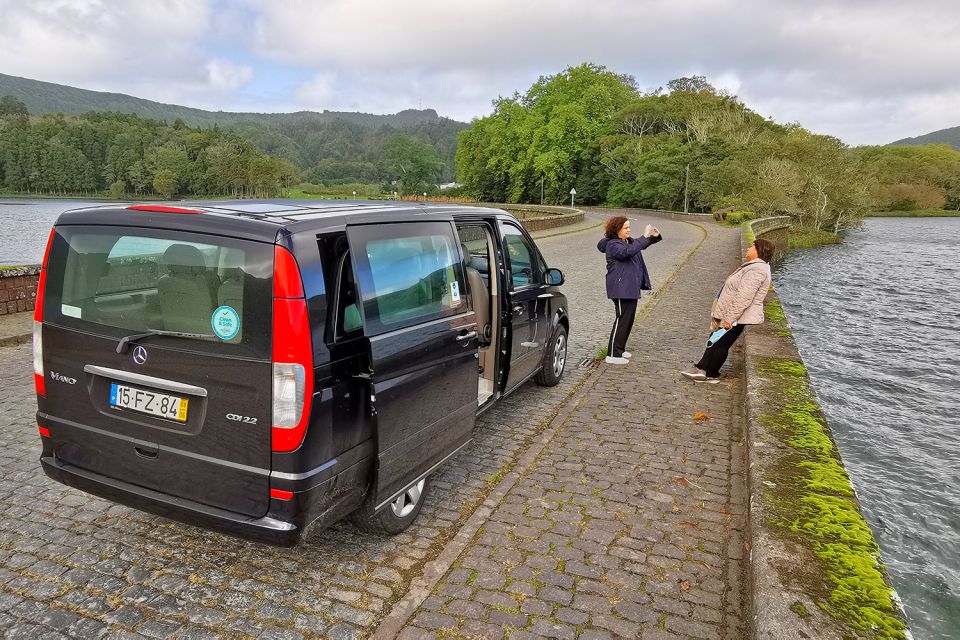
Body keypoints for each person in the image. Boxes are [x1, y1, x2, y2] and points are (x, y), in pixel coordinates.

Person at [681, 238, 774, 383]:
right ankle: (705, 370)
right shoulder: (755, 267)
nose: (748, 248)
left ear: (759, 251)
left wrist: (729, 319)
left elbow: (744, 297)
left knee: (720, 343)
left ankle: (708, 372)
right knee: (716, 340)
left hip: (737, 316)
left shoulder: (757, 270)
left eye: (751, 246)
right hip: (733, 314)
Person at [597, 216, 661, 365]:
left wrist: (653, 238)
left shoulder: (627, 242)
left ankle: (620, 349)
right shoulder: (613, 245)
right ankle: (613, 354)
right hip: (620, 288)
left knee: (628, 320)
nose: (629, 230)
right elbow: (628, 252)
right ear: (616, 230)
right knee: (622, 319)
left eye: (629, 227)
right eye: (626, 228)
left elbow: (638, 246)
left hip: (630, 287)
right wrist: (644, 236)